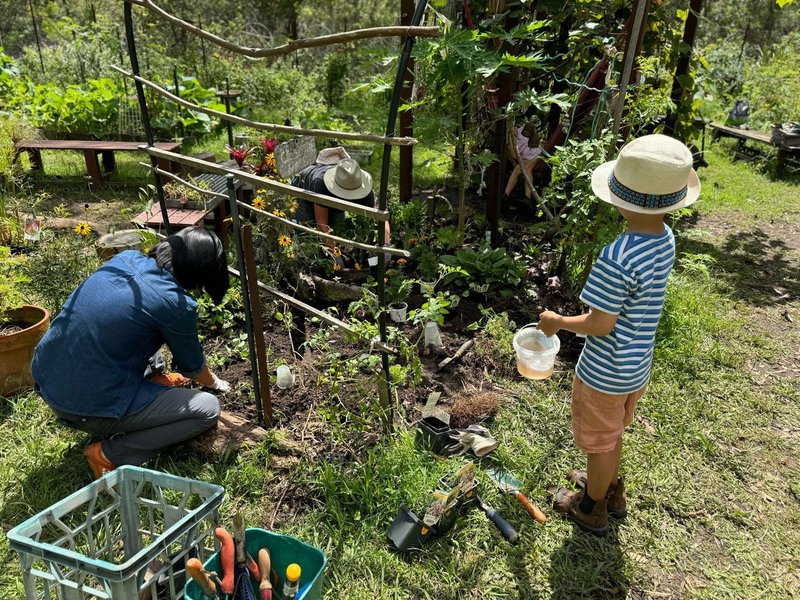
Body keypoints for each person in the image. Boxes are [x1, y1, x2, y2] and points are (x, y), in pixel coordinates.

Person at [537, 134, 701, 535]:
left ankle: (590, 505)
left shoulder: (618, 256)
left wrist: (557, 320)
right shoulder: (665, 238)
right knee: (611, 436)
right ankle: (611, 488)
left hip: (605, 371)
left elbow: (599, 324)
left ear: (618, 196)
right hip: (637, 365)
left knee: (599, 443)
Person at [31, 227, 232, 478]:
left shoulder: (125, 259)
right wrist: (217, 384)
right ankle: (109, 454)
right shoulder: (174, 303)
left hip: (47, 375)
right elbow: (192, 368)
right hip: (82, 404)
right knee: (207, 408)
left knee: (137, 333)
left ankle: (152, 387)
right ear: (200, 271)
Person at [293, 148, 390, 246]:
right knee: (306, 232)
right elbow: (322, 226)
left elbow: (382, 216)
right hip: (305, 189)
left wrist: (386, 245)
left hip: (328, 195)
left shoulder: (363, 188)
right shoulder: (320, 183)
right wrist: (336, 256)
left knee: (338, 227)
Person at [503, 121, 543, 206]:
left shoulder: (521, 130)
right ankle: (506, 195)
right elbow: (513, 155)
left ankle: (527, 196)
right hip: (524, 159)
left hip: (536, 155)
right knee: (518, 168)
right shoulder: (513, 140)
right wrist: (510, 138)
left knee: (528, 167)